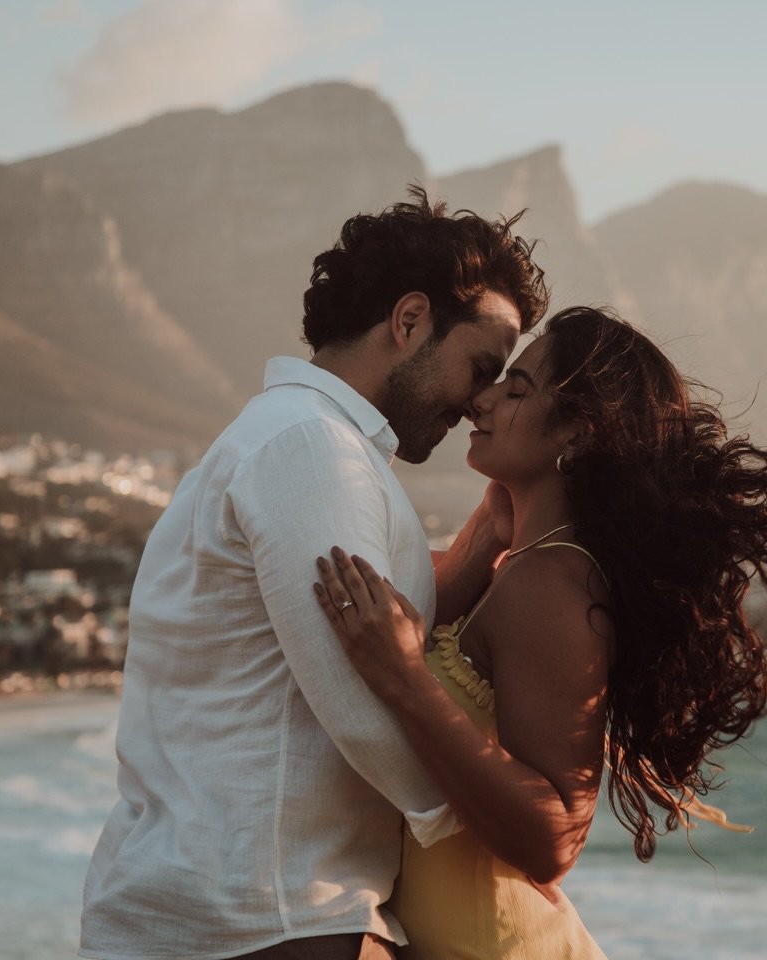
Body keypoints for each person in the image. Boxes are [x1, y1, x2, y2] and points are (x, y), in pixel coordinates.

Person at [79, 188, 549, 960]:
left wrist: (497, 526)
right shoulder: (309, 450)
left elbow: (391, 625)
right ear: (409, 322)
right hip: (269, 916)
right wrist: (493, 832)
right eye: (481, 367)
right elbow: (362, 702)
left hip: (257, 912)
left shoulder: (311, 445)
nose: (479, 404)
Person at [315, 306, 767, 959]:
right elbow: (429, 627)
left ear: (580, 435)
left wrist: (407, 682)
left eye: (518, 388)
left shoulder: (551, 586)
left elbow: (554, 838)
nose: (483, 397)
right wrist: (491, 530)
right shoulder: (528, 569)